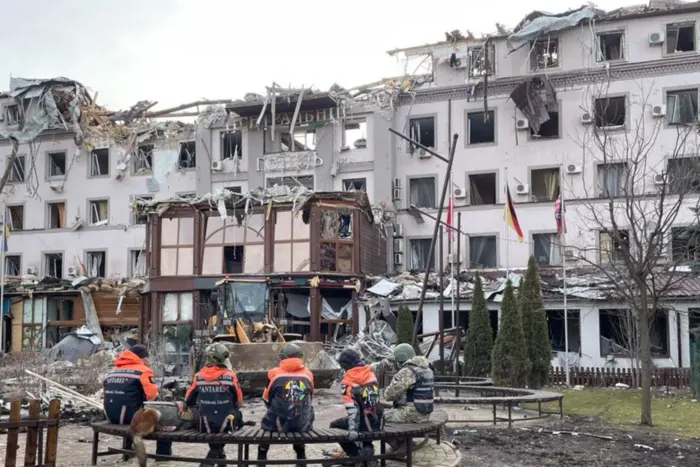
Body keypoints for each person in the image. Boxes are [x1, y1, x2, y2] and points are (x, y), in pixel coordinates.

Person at [103, 344, 173, 460]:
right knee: (165, 419)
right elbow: (152, 397)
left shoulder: (113, 371)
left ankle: (127, 449)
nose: (147, 360)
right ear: (142, 358)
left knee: (130, 404)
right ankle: (163, 456)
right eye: (146, 357)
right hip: (130, 419)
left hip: (111, 416)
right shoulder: (144, 371)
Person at [185, 343, 244, 467]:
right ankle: (211, 457)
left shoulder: (198, 377)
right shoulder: (230, 376)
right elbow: (239, 402)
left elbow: (188, 400)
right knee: (238, 415)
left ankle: (219, 457)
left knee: (208, 418)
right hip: (227, 424)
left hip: (204, 425)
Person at [258, 343, 315, 467]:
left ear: (282, 357)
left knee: (267, 422)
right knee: (300, 412)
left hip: (278, 423)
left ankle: (261, 457)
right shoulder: (308, 374)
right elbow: (310, 398)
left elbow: (266, 398)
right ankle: (301, 455)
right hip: (303, 424)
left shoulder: (274, 373)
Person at [329, 349, 382, 467]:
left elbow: (352, 410)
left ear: (344, 365)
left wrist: (353, 431)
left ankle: (355, 455)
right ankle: (368, 451)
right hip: (377, 420)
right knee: (366, 418)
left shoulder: (347, 381)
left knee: (334, 426)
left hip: (363, 422)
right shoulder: (371, 375)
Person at [382, 343, 435, 451]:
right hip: (425, 413)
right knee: (390, 413)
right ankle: (404, 441)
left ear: (401, 357)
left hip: (411, 414)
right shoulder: (427, 369)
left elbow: (389, 395)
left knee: (377, 420)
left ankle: (400, 444)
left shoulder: (407, 371)